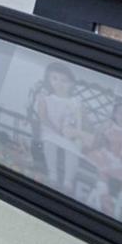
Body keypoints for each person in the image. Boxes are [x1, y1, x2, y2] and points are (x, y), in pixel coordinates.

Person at [33, 62, 87, 193]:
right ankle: (53, 174)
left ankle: (68, 180)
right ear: (48, 80)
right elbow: (43, 117)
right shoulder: (47, 98)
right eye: (54, 79)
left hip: (68, 133)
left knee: (73, 148)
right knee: (49, 144)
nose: (59, 83)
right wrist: (56, 130)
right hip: (51, 131)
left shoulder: (75, 101)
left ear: (71, 83)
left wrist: (77, 134)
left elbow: (80, 121)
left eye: (64, 80)